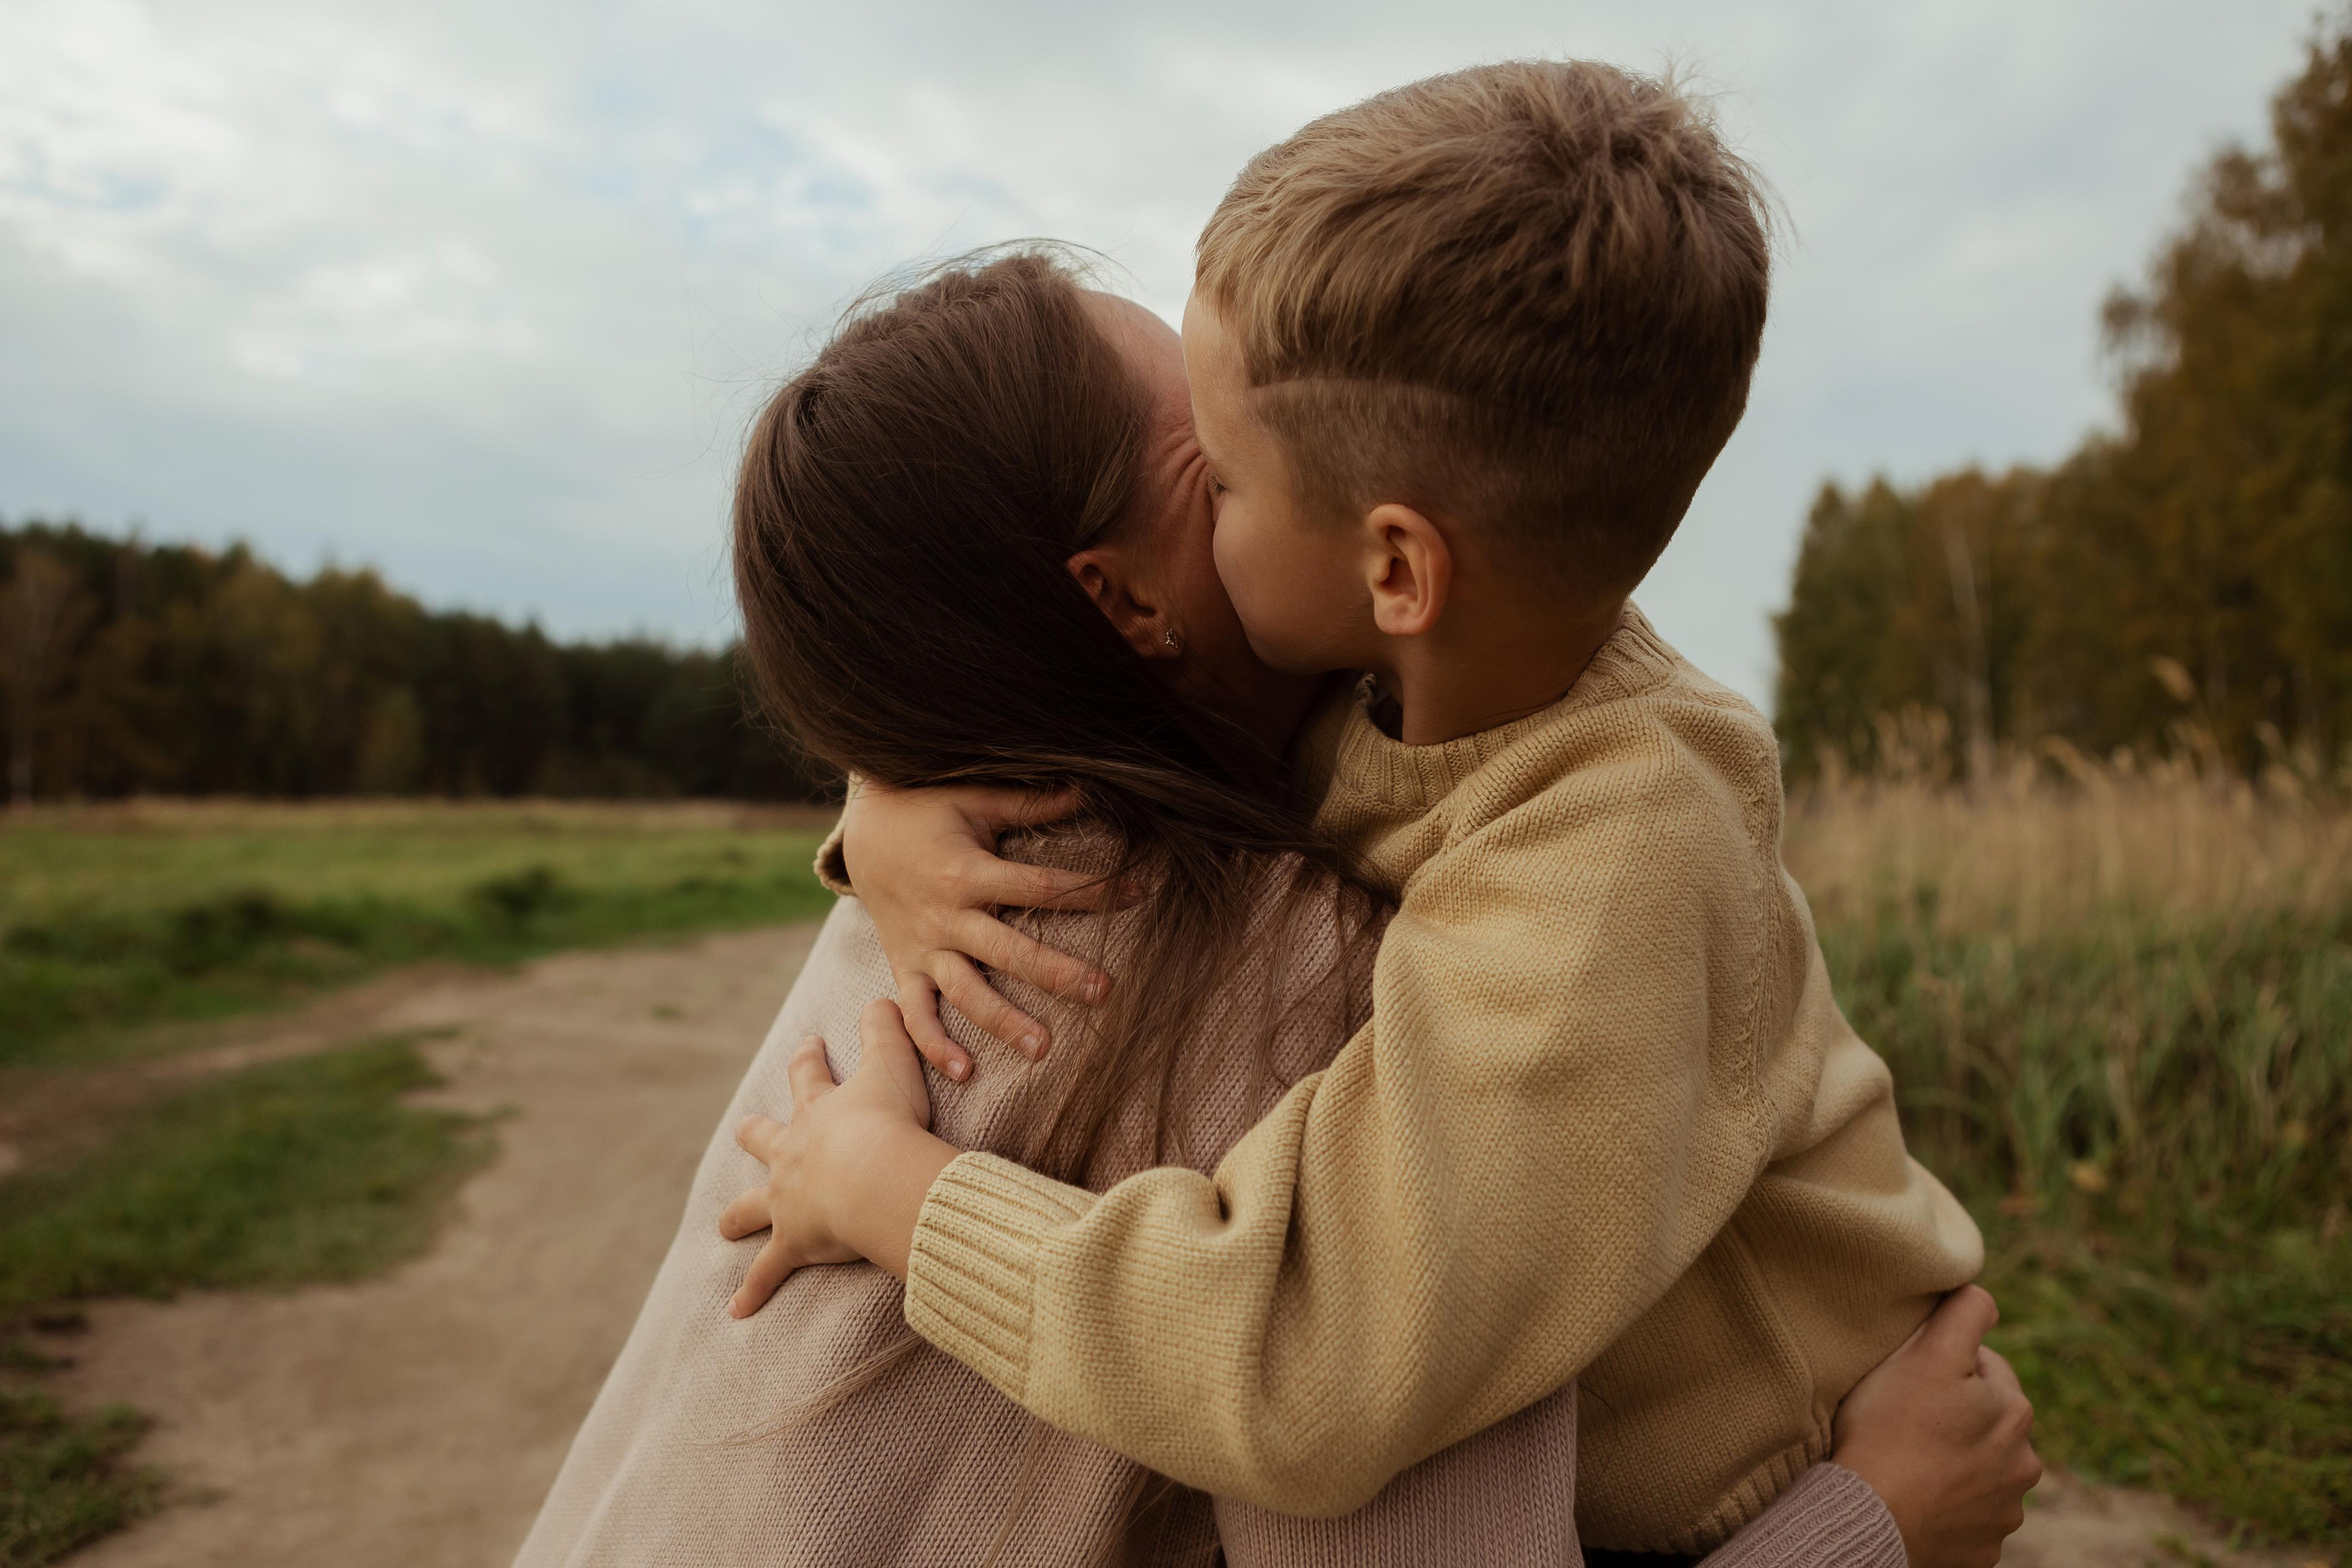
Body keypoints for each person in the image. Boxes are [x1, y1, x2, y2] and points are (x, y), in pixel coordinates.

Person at [514, 251, 2037, 1568]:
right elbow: (1339, 1389)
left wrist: (875, 793)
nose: (1305, 428)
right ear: (1122, 602)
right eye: (1227, 459)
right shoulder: (1318, 997)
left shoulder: (916, 902)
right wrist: (1872, 1526)